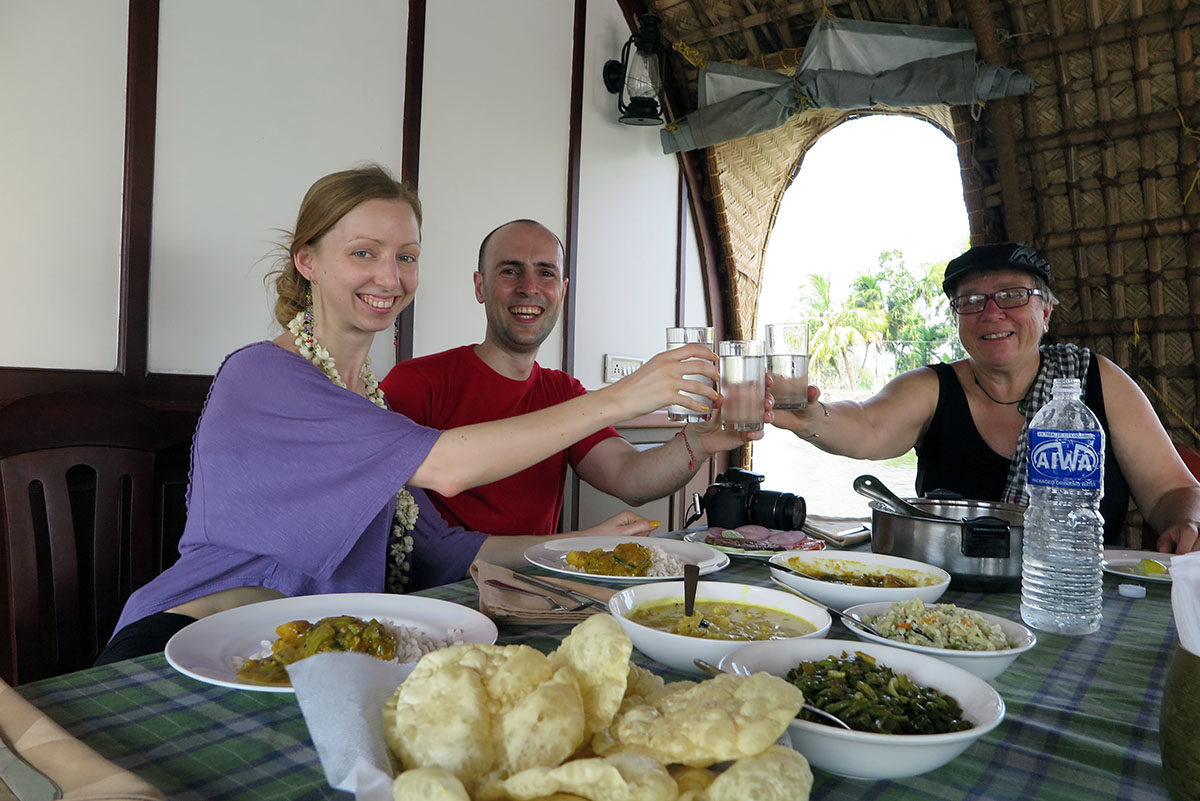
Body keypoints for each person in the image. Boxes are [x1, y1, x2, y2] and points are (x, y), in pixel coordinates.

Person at [97, 166, 719, 663]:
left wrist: (575, 546)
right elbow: (448, 467)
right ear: (307, 261)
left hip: (312, 656)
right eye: (363, 253)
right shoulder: (261, 375)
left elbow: (444, 549)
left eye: (406, 255)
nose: (389, 276)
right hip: (185, 645)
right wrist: (621, 396)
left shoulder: (366, 401)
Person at [770, 242, 1200, 555]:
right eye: (971, 302)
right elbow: (866, 425)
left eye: (1013, 296)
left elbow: (1172, 491)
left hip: (1072, 592)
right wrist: (811, 418)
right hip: (946, 595)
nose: (992, 314)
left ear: (1046, 312)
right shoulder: (934, 386)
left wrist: (1188, 521)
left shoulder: (1097, 381)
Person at [380, 219, 759, 538]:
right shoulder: (415, 382)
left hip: (541, 592)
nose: (529, 287)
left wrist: (699, 442)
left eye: (545, 273)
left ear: (561, 291)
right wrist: (623, 394)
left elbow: (629, 477)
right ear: (480, 286)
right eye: (510, 270)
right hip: (440, 599)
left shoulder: (564, 392)